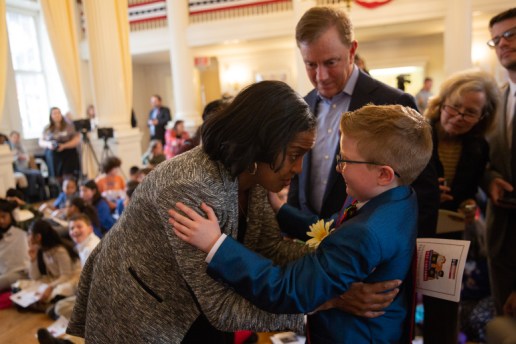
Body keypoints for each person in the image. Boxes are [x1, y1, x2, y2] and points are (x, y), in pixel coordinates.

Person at [66, 81, 397, 343]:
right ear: (263, 142)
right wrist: (328, 300)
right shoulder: (189, 187)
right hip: (144, 313)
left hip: (199, 306)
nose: (297, 168)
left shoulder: (252, 174)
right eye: (295, 154)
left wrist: (329, 273)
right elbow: (222, 308)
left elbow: (270, 248)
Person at [170, 104, 433, 343]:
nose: (338, 168)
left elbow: (288, 289)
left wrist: (217, 245)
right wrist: (282, 210)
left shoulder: (365, 234)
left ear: (384, 174)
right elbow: (331, 227)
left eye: (345, 160)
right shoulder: (399, 199)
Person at [286, 6, 439, 241]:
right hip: (312, 245)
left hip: (372, 250)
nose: (321, 76)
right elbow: (299, 178)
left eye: (330, 62)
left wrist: (409, 258)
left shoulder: (393, 101)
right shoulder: (302, 104)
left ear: (352, 50)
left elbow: (423, 192)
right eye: (311, 65)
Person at [423, 69, 500, 343]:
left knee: (443, 307)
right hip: (410, 230)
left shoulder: (478, 147)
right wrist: (426, 194)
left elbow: (470, 191)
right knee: (402, 303)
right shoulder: (417, 133)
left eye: (469, 112)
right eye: (454, 107)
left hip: (446, 237)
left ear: (482, 117)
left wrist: (468, 203)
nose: (458, 116)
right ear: (442, 102)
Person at [485, 8, 516, 320]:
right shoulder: (497, 100)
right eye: (496, 40)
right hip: (501, 241)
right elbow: (486, 160)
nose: (503, 43)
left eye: (511, 34)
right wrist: (490, 179)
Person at [23, 220, 81, 309]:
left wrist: (49, 287)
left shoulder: (59, 250)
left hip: (71, 279)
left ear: (38, 237)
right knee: (23, 285)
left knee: (62, 290)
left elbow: (66, 276)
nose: (28, 237)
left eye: (29, 233)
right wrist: (33, 259)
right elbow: (35, 277)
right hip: (55, 279)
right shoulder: (40, 249)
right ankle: (46, 304)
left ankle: (49, 305)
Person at [39, 107, 81, 183]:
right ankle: (58, 186)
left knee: (69, 172)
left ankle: (69, 185)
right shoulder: (47, 128)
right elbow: (41, 141)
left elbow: (76, 139)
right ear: (51, 116)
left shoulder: (69, 126)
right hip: (53, 152)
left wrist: (64, 146)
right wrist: (49, 144)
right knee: (52, 157)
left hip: (68, 150)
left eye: (58, 113)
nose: (57, 115)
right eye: (54, 113)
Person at [0, 199, 29, 292]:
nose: (1, 220)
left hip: (20, 271)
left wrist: (20, 203)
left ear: (11, 215)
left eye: (3, 216)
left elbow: (38, 215)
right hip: (3, 271)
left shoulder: (21, 227)